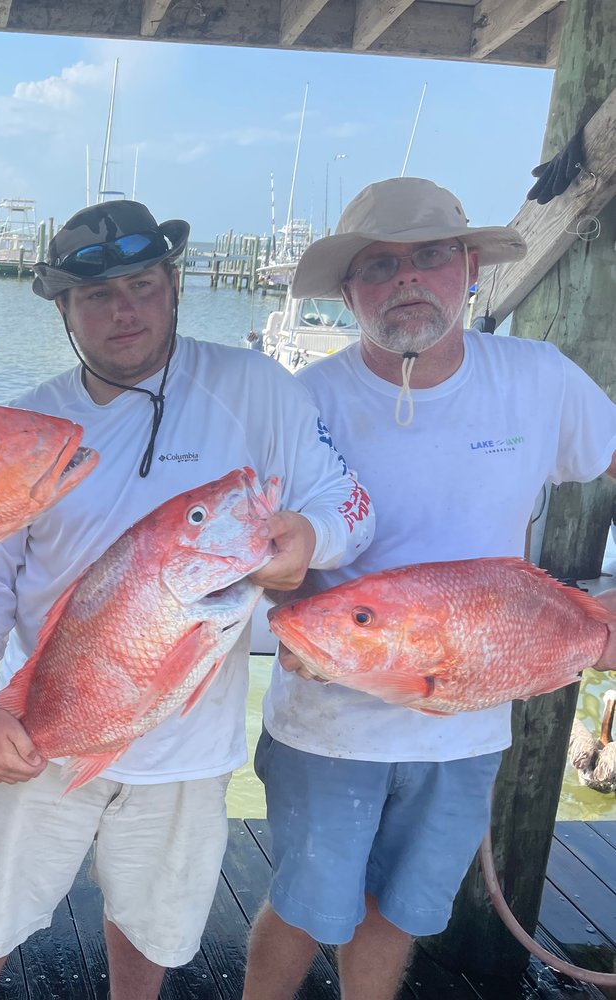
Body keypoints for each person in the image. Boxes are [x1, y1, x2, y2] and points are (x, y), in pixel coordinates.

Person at [0, 199, 375, 1000]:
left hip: (187, 750)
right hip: (44, 723)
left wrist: (309, 540)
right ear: (63, 308)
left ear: (174, 283)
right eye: (96, 294)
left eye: (141, 283)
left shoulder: (255, 387)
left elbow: (348, 502)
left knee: (151, 931)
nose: (123, 309)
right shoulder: (29, 421)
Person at [242, 176, 616, 1000]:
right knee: (303, 908)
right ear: (346, 292)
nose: (406, 279)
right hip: (327, 726)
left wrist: (601, 618)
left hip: (467, 727)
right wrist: (285, 614)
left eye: (430, 257)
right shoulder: (301, 400)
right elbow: (260, 557)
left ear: (471, 267)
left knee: (400, 913)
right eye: (378, 266)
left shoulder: (538, 378)